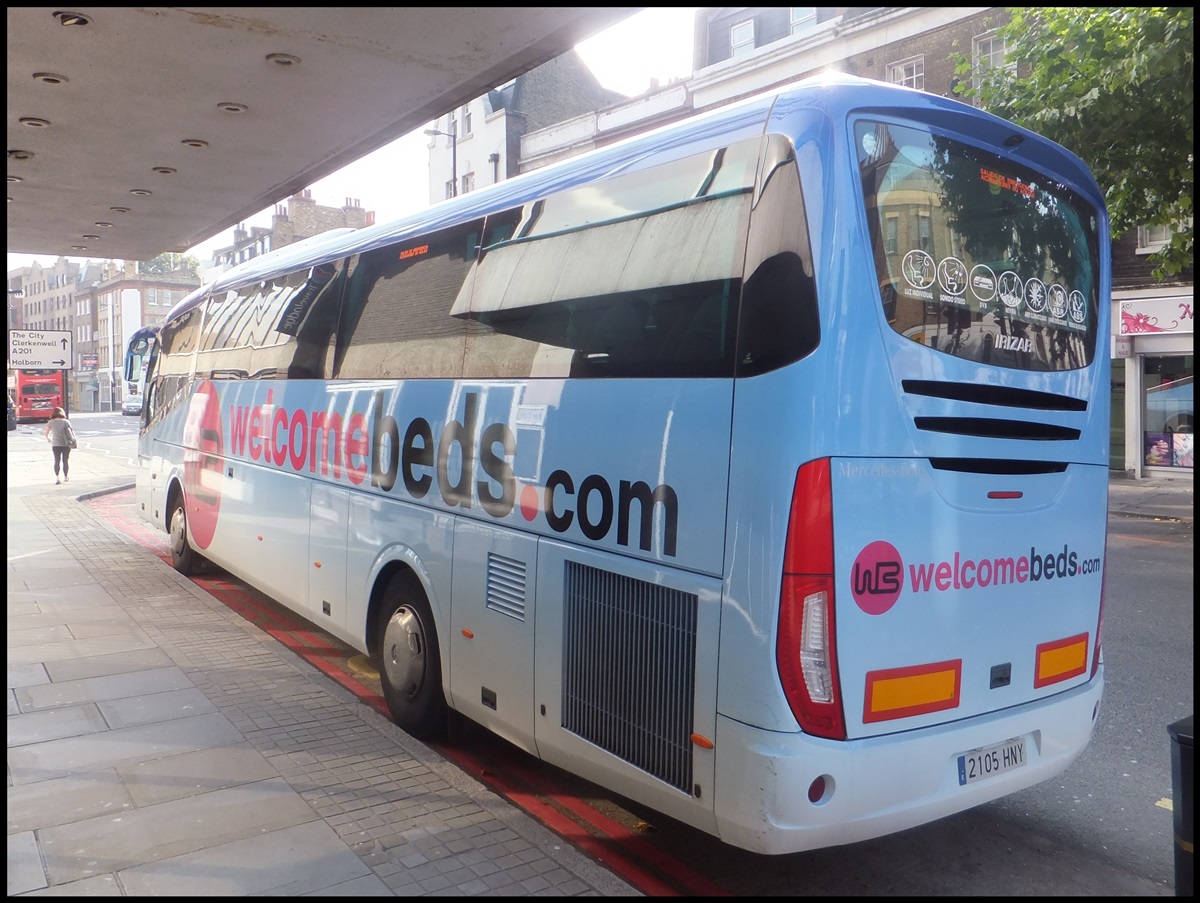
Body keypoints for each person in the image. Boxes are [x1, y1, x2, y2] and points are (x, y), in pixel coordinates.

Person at [43, 406, 75, 484]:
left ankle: (57, 478)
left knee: (57, 461)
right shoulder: (66, 422)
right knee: (65, 461)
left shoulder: (51, 422)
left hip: (56, 445)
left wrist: (48, 439)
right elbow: (71, 433)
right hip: (66, 444)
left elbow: (45, 433)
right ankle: (66, 476)